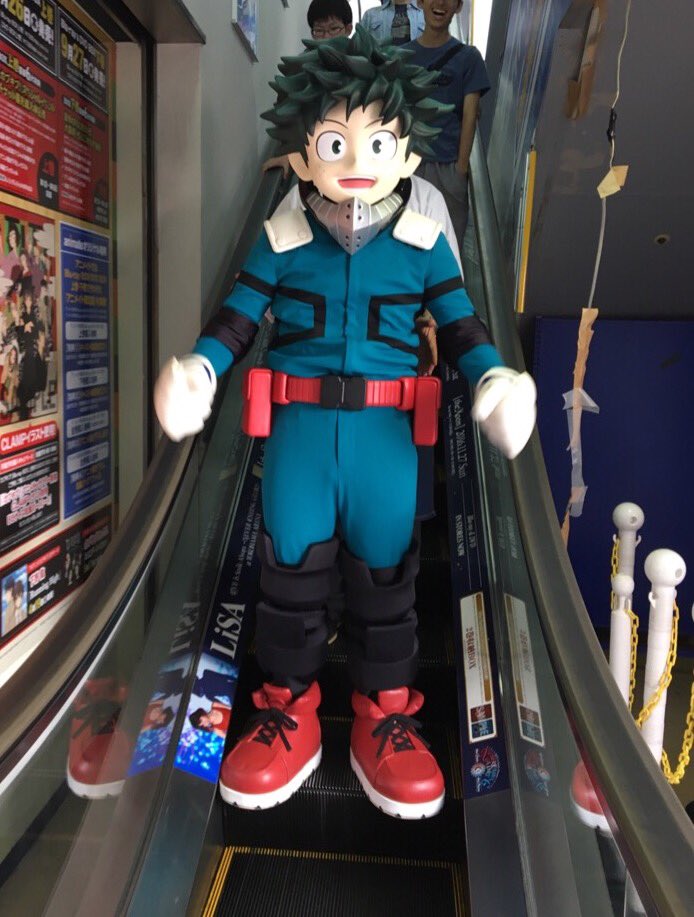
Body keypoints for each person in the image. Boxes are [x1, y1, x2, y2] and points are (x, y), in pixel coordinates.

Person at [154, 27, 536, 820]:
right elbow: (236, 319)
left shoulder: (424, 243)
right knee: (289, 577)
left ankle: (386, 715)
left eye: (378, 141)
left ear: (407, 153)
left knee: (387, 582)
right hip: (296, 434)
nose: (356, 159)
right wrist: (200, 369)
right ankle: (287, 710)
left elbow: (461, 324)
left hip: (386, 442)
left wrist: (494, 378)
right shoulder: (282, 238)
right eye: (335, 141)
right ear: (302, 155)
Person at [405, 0, 489, 252]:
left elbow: (470, 115)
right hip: (407, 168)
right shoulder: (402, 56)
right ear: (420, 2)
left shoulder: (469, 58)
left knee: (448, 250)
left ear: (459, 6)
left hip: (448, 168)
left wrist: (460, 169)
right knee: (406, 248)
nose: (440, 3)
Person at [262, 0, 354, 178]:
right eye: (319, 31)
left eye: (334, 29)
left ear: (348, 29)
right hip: (315, 153)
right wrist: (288, 152)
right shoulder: (299, 68)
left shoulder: (362, 63)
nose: (326, 37)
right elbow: (286, 113)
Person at [360, 0, 425, 46]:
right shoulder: (370, 15)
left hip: (417, 60)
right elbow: (359, 47)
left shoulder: (425, 14)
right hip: (381, 61)